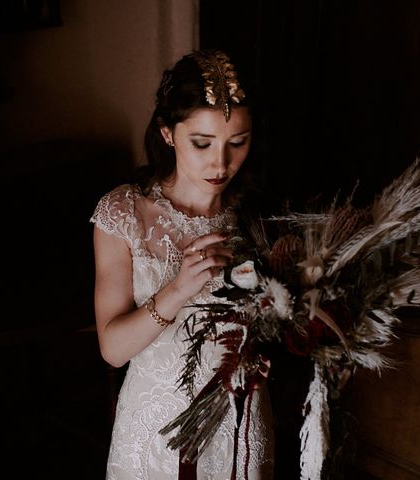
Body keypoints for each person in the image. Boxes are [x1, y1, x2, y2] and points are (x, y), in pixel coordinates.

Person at [91, 49, 274, 480]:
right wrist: (176, 290)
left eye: (238, 142)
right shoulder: (124, 213)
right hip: (155, 432)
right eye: (202, 142)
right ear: (168, 133)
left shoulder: (258, 218)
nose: (220, 163)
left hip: (240, 423)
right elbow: (112, 350)